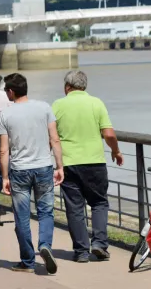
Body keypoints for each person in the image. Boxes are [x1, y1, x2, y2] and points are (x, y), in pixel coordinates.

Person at [52, 70, 123, 263]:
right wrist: (116, 151)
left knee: (74, 208)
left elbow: (51, 135)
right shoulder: (96, 103)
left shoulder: (58, 105)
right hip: (95, 161)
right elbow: (109, 134)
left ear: (67, 86)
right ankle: (99, 244)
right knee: (99, 203)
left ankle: (81, 251)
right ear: (85, 86)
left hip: (68, 163)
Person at [0, 73, 64, 274]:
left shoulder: (6, 115)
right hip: (44, 167)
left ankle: (27, 261)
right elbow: (55, 139)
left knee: (22, 217)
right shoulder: (44, 107)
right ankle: (45, 245)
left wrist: (5, 177)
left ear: (11, 91)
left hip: (19, 170)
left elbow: (3, 150)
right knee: (46, 212)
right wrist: (60, 166)